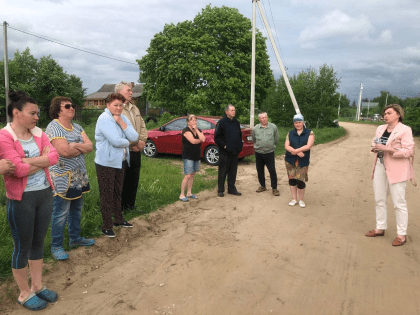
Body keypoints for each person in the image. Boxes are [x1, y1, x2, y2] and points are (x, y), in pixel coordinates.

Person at [0, 91, 59, 311]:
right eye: (32, 113)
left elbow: (54, 157)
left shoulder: (39, 133)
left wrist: (28, 161)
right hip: (21, 199)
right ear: (16, 113)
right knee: (22, 246)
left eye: (38, 113)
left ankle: (37, 285)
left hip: (44, 194)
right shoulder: (5, 137)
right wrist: (40, 162)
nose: (37, 117)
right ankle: (24, 293)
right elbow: (18, 171)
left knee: (38, 243)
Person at [45, 97, 95, 261]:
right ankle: (56, 246)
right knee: (60, 212)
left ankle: (75, 238)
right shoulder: (54, 127)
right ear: (58, 110)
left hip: (78, 176)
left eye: (72, 105)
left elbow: (90, 146)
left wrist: (75, 146)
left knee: (76, 209)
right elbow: (64, 152)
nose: (72, 108)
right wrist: (80, 147)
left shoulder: (77, 127)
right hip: (62, 178)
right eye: (67, 106)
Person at [365, 104, 415, 246]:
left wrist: (388, 149)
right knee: (379, 199)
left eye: (389, 113)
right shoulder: (380, 128)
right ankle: (380, 228)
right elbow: (375, 143)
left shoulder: (405, 130)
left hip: (397, 168)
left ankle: (401, 234)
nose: (385, 115)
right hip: (381, 166)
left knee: (399, 202)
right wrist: (374, 148)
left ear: (398, 114)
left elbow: (408, 151)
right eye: (384, 113)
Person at [95, 93, 139, 238]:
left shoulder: (121, 117)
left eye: (120, 105)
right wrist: (128, 142)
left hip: (120, 161)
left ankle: (118, 220)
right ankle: (106, 226)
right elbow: (116, 141)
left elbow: (135, 136)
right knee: (107, 194)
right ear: (108, 105)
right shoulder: (104, 119)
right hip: (106, 163)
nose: (119, 108)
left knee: (117, 192)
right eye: (115, 105)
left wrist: (121, 122)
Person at [115, 82, 147, 211]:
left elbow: (143, 126)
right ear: (119, 93)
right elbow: (119, 131)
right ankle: (120, 208)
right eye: (128, 90)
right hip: (124, 151)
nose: (131, 92)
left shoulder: (134, 108)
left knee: (134, 179)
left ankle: (130, 206)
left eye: (131, 90)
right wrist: (134, 143)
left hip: (136, 150)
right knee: (123, 180)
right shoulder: (117, 109)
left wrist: (142, 141)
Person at [284, 113, 314, 208]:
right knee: (292, 180)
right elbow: (286, 146)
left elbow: (308, 146)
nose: (298, 124)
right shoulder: (290, 133)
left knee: (300, 181)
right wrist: (296, 153)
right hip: (290, 160)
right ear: (294, 124)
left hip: (302, 161)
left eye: (299, 122)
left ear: (303, 122)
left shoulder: (310, 133)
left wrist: (296, 151)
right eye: (296, 122)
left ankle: (301, 200)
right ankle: (294, 199)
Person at [214, 104, 243, 197]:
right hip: (225, 152)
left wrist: (239, 146)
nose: (234, 112)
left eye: (234, 110)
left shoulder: (236, 122)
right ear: (226, 112)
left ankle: (231, 189)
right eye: (232, 110)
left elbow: (239, 136)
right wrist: (224, 146)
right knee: (223, 171)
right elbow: (217, 137)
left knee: (233, 172)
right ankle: (220, 190)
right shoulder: (221, 122)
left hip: (235, 152)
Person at [252, 112, 280, 196]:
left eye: (265, 117)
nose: (264, 119)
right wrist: (258, 146)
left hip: (269, 153)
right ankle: (262, 186)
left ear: (267, 117)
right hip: (259, 153)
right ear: (259, 119)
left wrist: (272, 146)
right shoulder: (255, 129)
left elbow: (276, 139)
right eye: (262, 118)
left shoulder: (273, 127)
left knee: (272, 170)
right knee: (260, 170)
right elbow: (254, 139)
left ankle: (274, 188)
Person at [179, 114, 205, 202]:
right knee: (188, 175)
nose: (194, 122)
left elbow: (203, 139)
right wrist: (199, 140)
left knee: (193, 174)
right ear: (188, 122)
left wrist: (197, 129)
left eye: (195, 120)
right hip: (188, 156)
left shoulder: (198, 130)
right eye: (192, 120)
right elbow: (193, 141)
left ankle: (189, 193)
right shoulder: (185, 131)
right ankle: (182, 194)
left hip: (196, 155)